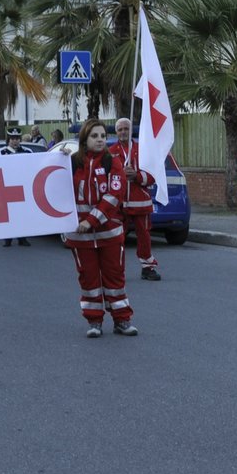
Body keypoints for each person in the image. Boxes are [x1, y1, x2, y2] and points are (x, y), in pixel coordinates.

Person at [65, 117, 137, 338]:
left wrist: (91, 221)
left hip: (109, 234)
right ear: (84, 139)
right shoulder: (71, 163)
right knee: (89, 280)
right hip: (80, 236)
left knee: (115, 278)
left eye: (103, 136)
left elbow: (114, 195)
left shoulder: (111, 162)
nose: (100, 140)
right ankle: (94, 321)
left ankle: (122, 320)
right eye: (94, 136)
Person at [110, 117, 159, 279]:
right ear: (116, 132)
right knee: (116, 238)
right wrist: (121, 176)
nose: (123, 132)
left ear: (131, 131)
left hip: (140, 202)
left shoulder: (142, 150)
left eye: (126, 129)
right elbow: (106, 178)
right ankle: (116, 270)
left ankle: (148, 268)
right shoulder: (110, 153)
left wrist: (136, 176)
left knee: (144, 236)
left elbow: (152, 176)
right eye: (120, 129)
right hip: (119, 203)